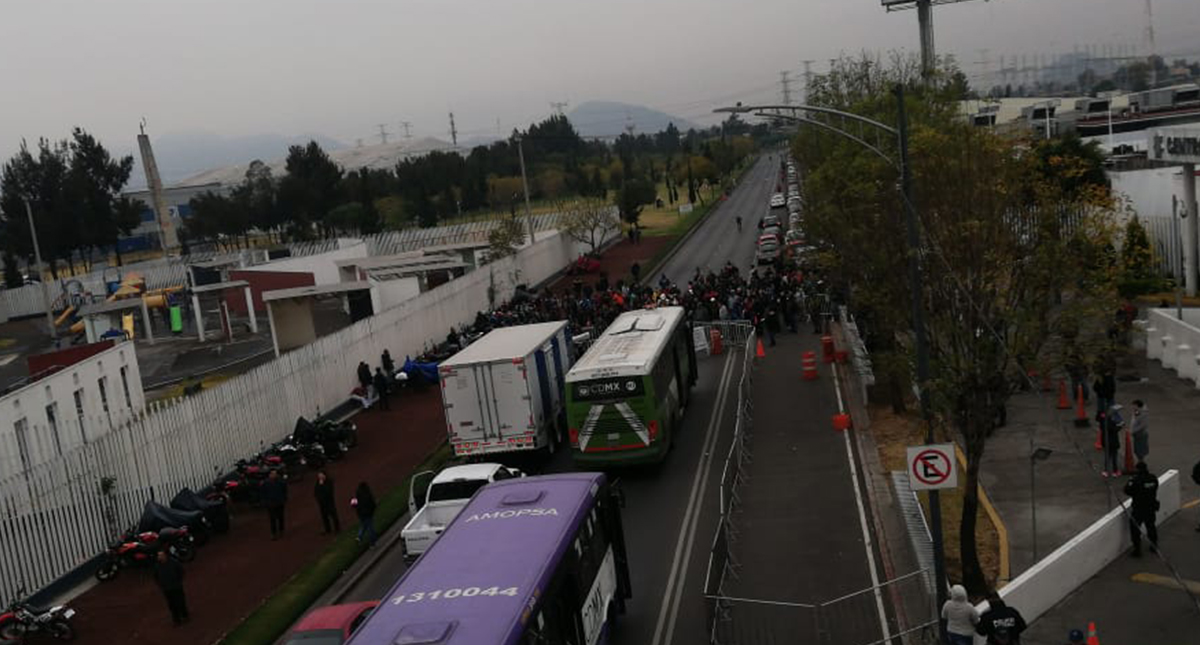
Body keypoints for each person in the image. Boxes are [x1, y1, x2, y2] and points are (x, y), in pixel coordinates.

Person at [1124, 461, 1160, 557]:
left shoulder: (1135, 480)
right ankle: (1154, 545)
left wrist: (1131, 481)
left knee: (1135, 529)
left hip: (1139, 508)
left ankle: (1137, 550)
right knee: (1151, 526)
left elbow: (1127, 490)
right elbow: (1156, 487)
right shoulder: (1153, 478)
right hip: (1151, 506)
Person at [153, 549, 189, 625]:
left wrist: (178, 582)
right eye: (159, 555)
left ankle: (184, 615)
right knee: (171, 604)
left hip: (176, 586)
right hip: (166, 588)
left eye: (161, 555)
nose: (159, 557)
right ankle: (176, 619)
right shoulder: (157, 566)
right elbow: (156, 576)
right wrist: (161, 585)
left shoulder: (174, 563)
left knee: (180, 602)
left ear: (165, 556)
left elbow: (181, 572)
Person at [261, 470, 288, 540]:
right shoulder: (266, 483)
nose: (274, 475)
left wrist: (284, 498)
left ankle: (281, 530)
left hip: (279, 502)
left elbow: (284, 490)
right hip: (271, 504)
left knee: (280, 517)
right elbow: (263, 493)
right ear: (269, 475)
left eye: (275, 474)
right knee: (272, 519)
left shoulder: (280, 482)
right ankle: (274, 533)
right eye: (273, 474)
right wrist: (265, 502)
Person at [1100, 404, 1124, 477]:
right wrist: (1120, 426)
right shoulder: (1110, 421)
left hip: (1105, 441)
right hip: (1113, 442)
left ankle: (1106, 471)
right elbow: (1114, 430)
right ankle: (1115, 471)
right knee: (1114, 457)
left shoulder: (1103, 420)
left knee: (1107, 457)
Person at [352, 482, 378, 547]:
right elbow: (373, 504)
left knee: (363, 526)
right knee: (370, 529)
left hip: (361, 515)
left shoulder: (357, 495)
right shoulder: (368, 495)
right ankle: (372, 543)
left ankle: (359, 537)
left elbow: (354, 504)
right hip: (368, 514)